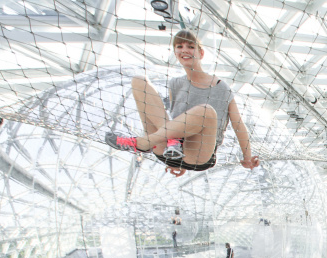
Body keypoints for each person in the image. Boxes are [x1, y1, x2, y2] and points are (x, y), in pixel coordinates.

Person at [106, 30, 259, 177]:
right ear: (175, 53)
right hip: (167, 149)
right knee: (139, 81)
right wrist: (176, 159)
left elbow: (238, 125)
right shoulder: (175, 83)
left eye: (190, 47)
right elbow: (174, 120)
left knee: (206, 111)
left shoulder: (221, 87)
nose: (184, 50)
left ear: (201, 53)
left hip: (198, 153)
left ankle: (142, 143)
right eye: (179, 46)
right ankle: (168, 144)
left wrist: (247, 157)